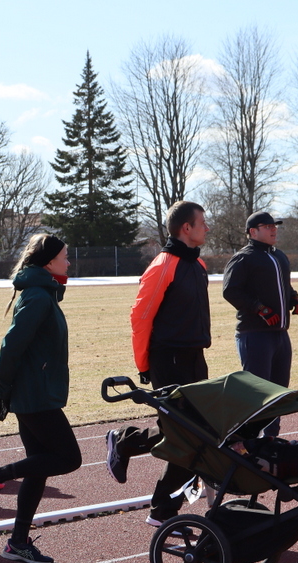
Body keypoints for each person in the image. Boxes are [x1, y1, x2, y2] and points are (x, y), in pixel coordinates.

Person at [0, 234, 82, 563]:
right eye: (64, 256)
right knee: (68, 457)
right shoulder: (38, 296)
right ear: (48, 263)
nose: (68, 262)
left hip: (37, 391)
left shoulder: (44, 293)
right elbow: (11, 346)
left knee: (39, 466)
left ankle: (18, 542)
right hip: (34, 395)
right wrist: (3, 390)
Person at [104, 201, 211, 526]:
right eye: (202, 223)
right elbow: (140, 317)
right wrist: (144, 364)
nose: (207, 228)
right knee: (186, 435)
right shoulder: (163, 265)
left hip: (195, 358)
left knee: (195, 433)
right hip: (168, 359)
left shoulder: (198, 264)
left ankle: (125, 442)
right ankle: (163, 511)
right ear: (186, 228)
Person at [221, 210, 298, 436]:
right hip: (255, 335)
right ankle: (247, 442)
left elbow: (284, 285)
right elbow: (230, 291)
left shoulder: (279, 256)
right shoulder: (244, 257)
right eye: (268, 227)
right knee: (257, 395)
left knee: (278, 393)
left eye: (274, 226)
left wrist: (293, 298)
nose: (273, 230)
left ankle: (270, 442)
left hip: (280, 335)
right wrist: (259, 308)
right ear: (253, 231)